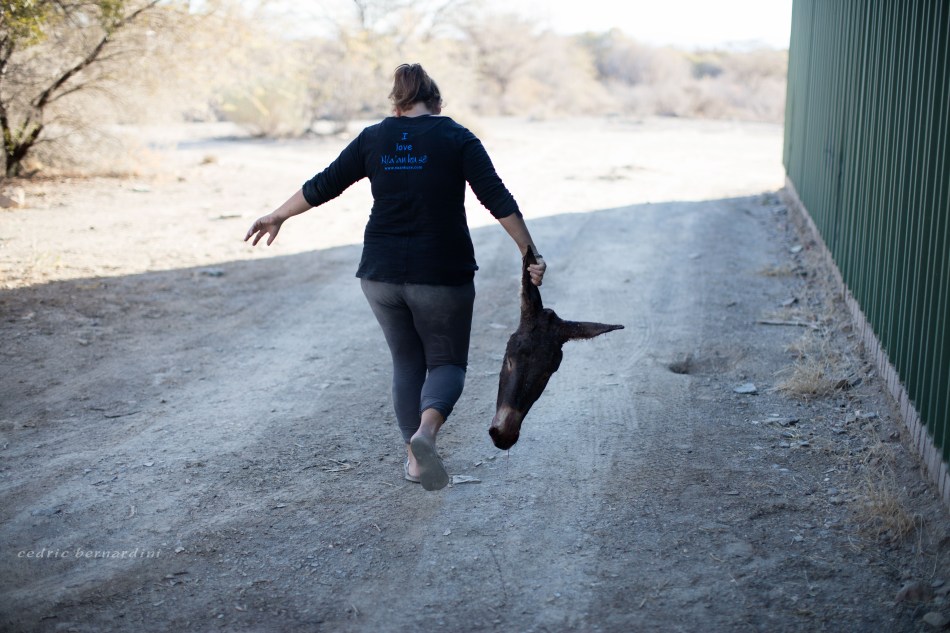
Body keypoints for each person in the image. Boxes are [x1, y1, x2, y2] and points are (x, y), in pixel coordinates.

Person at [245, 63, 546, 491]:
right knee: (446, 362)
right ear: (437, 101)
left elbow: (323, 185)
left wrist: (277, 215)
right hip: (441, 274)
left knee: (407, 363)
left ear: (397, 104)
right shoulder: (457, 136)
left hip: (380, 275)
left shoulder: (374, 138)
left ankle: (416, 462)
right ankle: (426, 434)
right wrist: (529, 251)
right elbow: (495, 196)